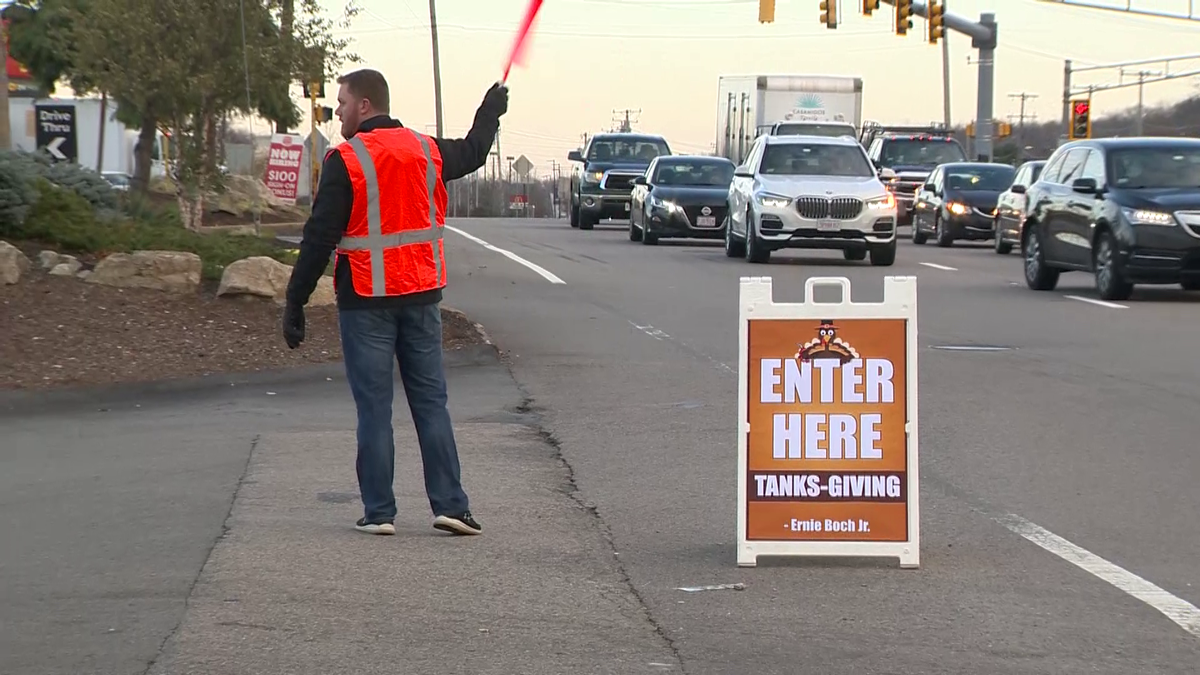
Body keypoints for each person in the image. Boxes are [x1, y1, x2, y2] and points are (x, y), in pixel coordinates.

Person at [282, 68, 508, 537]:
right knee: (431, 404)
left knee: (374, 409)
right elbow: (473, 152)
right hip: (422, 297)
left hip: (366, 302)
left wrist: (295, 302)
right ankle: (452, 506)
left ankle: (380, 512)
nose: (337, 109)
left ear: (365, 105)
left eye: (342, 101)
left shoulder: (347, 159)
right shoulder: (426, 150)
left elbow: (319, 237)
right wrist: (490, 111)